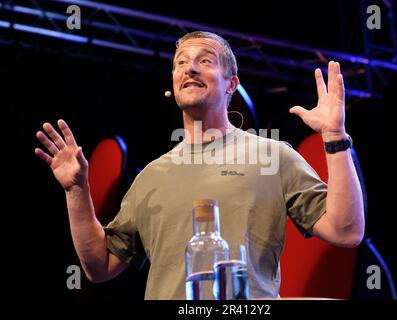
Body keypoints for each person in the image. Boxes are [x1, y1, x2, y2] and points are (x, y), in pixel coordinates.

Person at [35, 31, 364, 299]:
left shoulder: (272, 157)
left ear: (231, 85)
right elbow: (99, 266)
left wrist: (335, 137)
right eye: (181, 63)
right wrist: (76, 191)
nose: (189, 68)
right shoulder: (152, 176)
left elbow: (346, 231)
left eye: (204, 61)